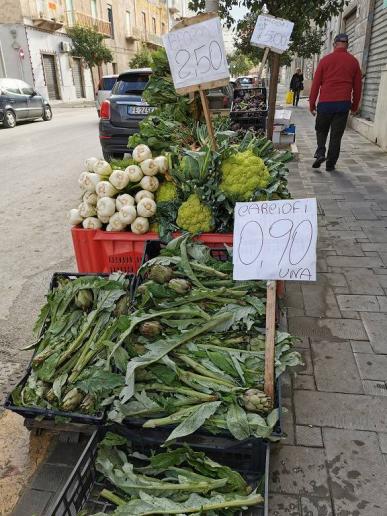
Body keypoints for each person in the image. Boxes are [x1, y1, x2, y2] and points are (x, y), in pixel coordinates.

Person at [309, 33, 362, 171]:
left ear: (334, 44)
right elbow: (357, 87)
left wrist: (312, 104)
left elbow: (315, 84)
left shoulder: (325, 61)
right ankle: (330, 164)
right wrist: (355, 106)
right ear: (347, 45)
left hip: (325, 104)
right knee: (336, 136)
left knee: (321, 130)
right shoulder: (353, 62)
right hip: (342, 105)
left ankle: (320, 152)